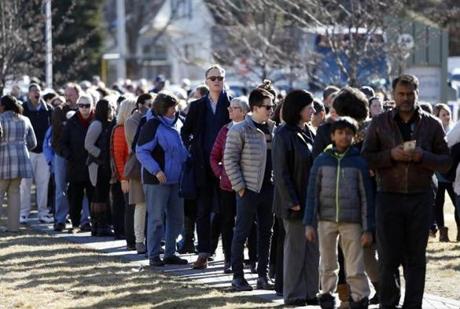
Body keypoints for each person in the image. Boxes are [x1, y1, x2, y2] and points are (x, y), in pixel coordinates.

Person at [361, 74, 451, 308]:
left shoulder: (432, 124)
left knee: (416, 259)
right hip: (388, 197)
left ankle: (413, 305)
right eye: (401, 94)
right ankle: (388, 304)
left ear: (417, 94)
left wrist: (423, 156)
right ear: (393, 95)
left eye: (410, 94)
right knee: (388, 259)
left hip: (420, 198)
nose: (405, 98)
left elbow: (445, 161)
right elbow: (365, 158)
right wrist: (390, 155)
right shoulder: (379, 123)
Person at [304, 117, 374, 309]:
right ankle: (326, 295)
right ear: (332, 136)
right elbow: (312, 193)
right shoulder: (321, 161)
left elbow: (367, 197)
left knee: (355, 265)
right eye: (340, 133)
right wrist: (309, 223)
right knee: (327, 263)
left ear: (354, 136)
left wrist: (368, 228)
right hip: (325, 221)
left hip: (352, 222)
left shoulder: (358, 162)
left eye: (348, 133)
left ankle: (360, 298)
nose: (344, 136)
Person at [224, 88, 276, 291]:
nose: (271, 110)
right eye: (268, 107)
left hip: (269, 189)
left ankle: (262, 276)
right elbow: (229, 159)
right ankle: (238, 277)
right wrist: (240, 187)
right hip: (248, 189)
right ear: (255, 108)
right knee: (242, 233)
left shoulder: (273, 129)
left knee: (266, 233)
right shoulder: (240, 129)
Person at [272, 90, 319, 306]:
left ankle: (311, 292)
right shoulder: (283, 134)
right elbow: (281, 173)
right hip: (295, 204)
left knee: (312, 250)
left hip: (313, 203)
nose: (314, 111)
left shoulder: (309, 132)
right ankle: (293, 294)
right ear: (298, 109)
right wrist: (293, 201)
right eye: (309, 107)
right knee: (296, 249)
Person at [181, 64, 231, 269]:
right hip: (202, 166)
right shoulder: (197, 106)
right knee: (202, 211)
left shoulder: (232, 104)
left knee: (225, 213)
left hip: (226, 166)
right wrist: (194, 148)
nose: (217, 81)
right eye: (213, 78)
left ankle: (228, 256)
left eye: (220, 77)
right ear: (206, 82)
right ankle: (203, 252)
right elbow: (185, 132)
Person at [136, 91, 189, 266]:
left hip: (177, 180)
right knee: (156, 219)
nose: (175, 109)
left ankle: (170, 253)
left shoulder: (180, 123)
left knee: (177, 218)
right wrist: (156, 170)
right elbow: (141, 151)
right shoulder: (151, 125)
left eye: (175, 106)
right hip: (157, 181)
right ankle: (153, 255)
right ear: (162, 109)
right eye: (171, 107)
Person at [210, 96, 257, 274]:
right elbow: (214, 156)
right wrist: (221, 173)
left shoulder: (252, 129)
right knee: (227, 221)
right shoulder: (225, 130)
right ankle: (229, 259)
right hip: (228, 186)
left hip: (250, 184)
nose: (229, 110)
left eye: (234, 108)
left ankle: (254, 260)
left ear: (244, 111)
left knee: (251, 223)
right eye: (229, 108)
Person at [0, 95, 37, 232]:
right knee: (15, 192)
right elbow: (33, 143)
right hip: (21, 159)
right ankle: (13, 227)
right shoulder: (25, 119)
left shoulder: (1, 119)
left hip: (3, 159)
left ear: (3, 106)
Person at [124, 93, 154, 253]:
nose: (151, 107)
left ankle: (153, 240)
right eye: (149, 104)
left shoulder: (150, 119)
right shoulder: (132, 121)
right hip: (138, 167)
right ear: (140, 104)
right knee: (140, 205)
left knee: (152, 206)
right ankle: (139, 241)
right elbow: (137, 143)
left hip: (151, 166)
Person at [19, 83, 54, 224]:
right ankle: (23, 212)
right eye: (33, 91)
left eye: (38, 90)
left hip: (44, 153)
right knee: (25, 184)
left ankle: (43, 212)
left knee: (43, 184)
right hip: (27, 152)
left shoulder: (49, 109)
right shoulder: (23, 108)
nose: (36, 93)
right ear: (29, 93)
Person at [60, 94, 95, 232]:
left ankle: (95, 223)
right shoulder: (72, 121)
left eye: (87, 105)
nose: (84, 108)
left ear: (92, 106)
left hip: (93, 165)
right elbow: (63, 142)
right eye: (81, 105)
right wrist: (68, 155)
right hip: (75, 165)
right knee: (75, 197)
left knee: (94, 197)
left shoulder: (97, 120)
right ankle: (75, 224)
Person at [85, 99, 116, 237]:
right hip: (96, 165)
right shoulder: (97, 124)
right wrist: (101, 155)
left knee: (100, 195)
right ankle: (99, 226)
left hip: (102, 165)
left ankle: (99, 225)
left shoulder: (105, 123)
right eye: (109, 108)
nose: (111, 110)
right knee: (99, 196)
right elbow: (88, 144)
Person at [110, 97, 137, 242]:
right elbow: (118, 157)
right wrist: (123, 179)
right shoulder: (120, 129)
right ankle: (130, 239)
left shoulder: (131, 127)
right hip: (127, 175)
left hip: (135, 174)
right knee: (130, 208)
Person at [432, 103, 458, 242]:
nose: (447, 117)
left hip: (452, 174)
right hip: (438, 174)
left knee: (456, 202)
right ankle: (443, 232)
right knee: (438, 203)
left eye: (448, 114)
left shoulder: (454, 129)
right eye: (443, 114)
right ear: (437, 117)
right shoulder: (435, 131)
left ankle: (459, 229)